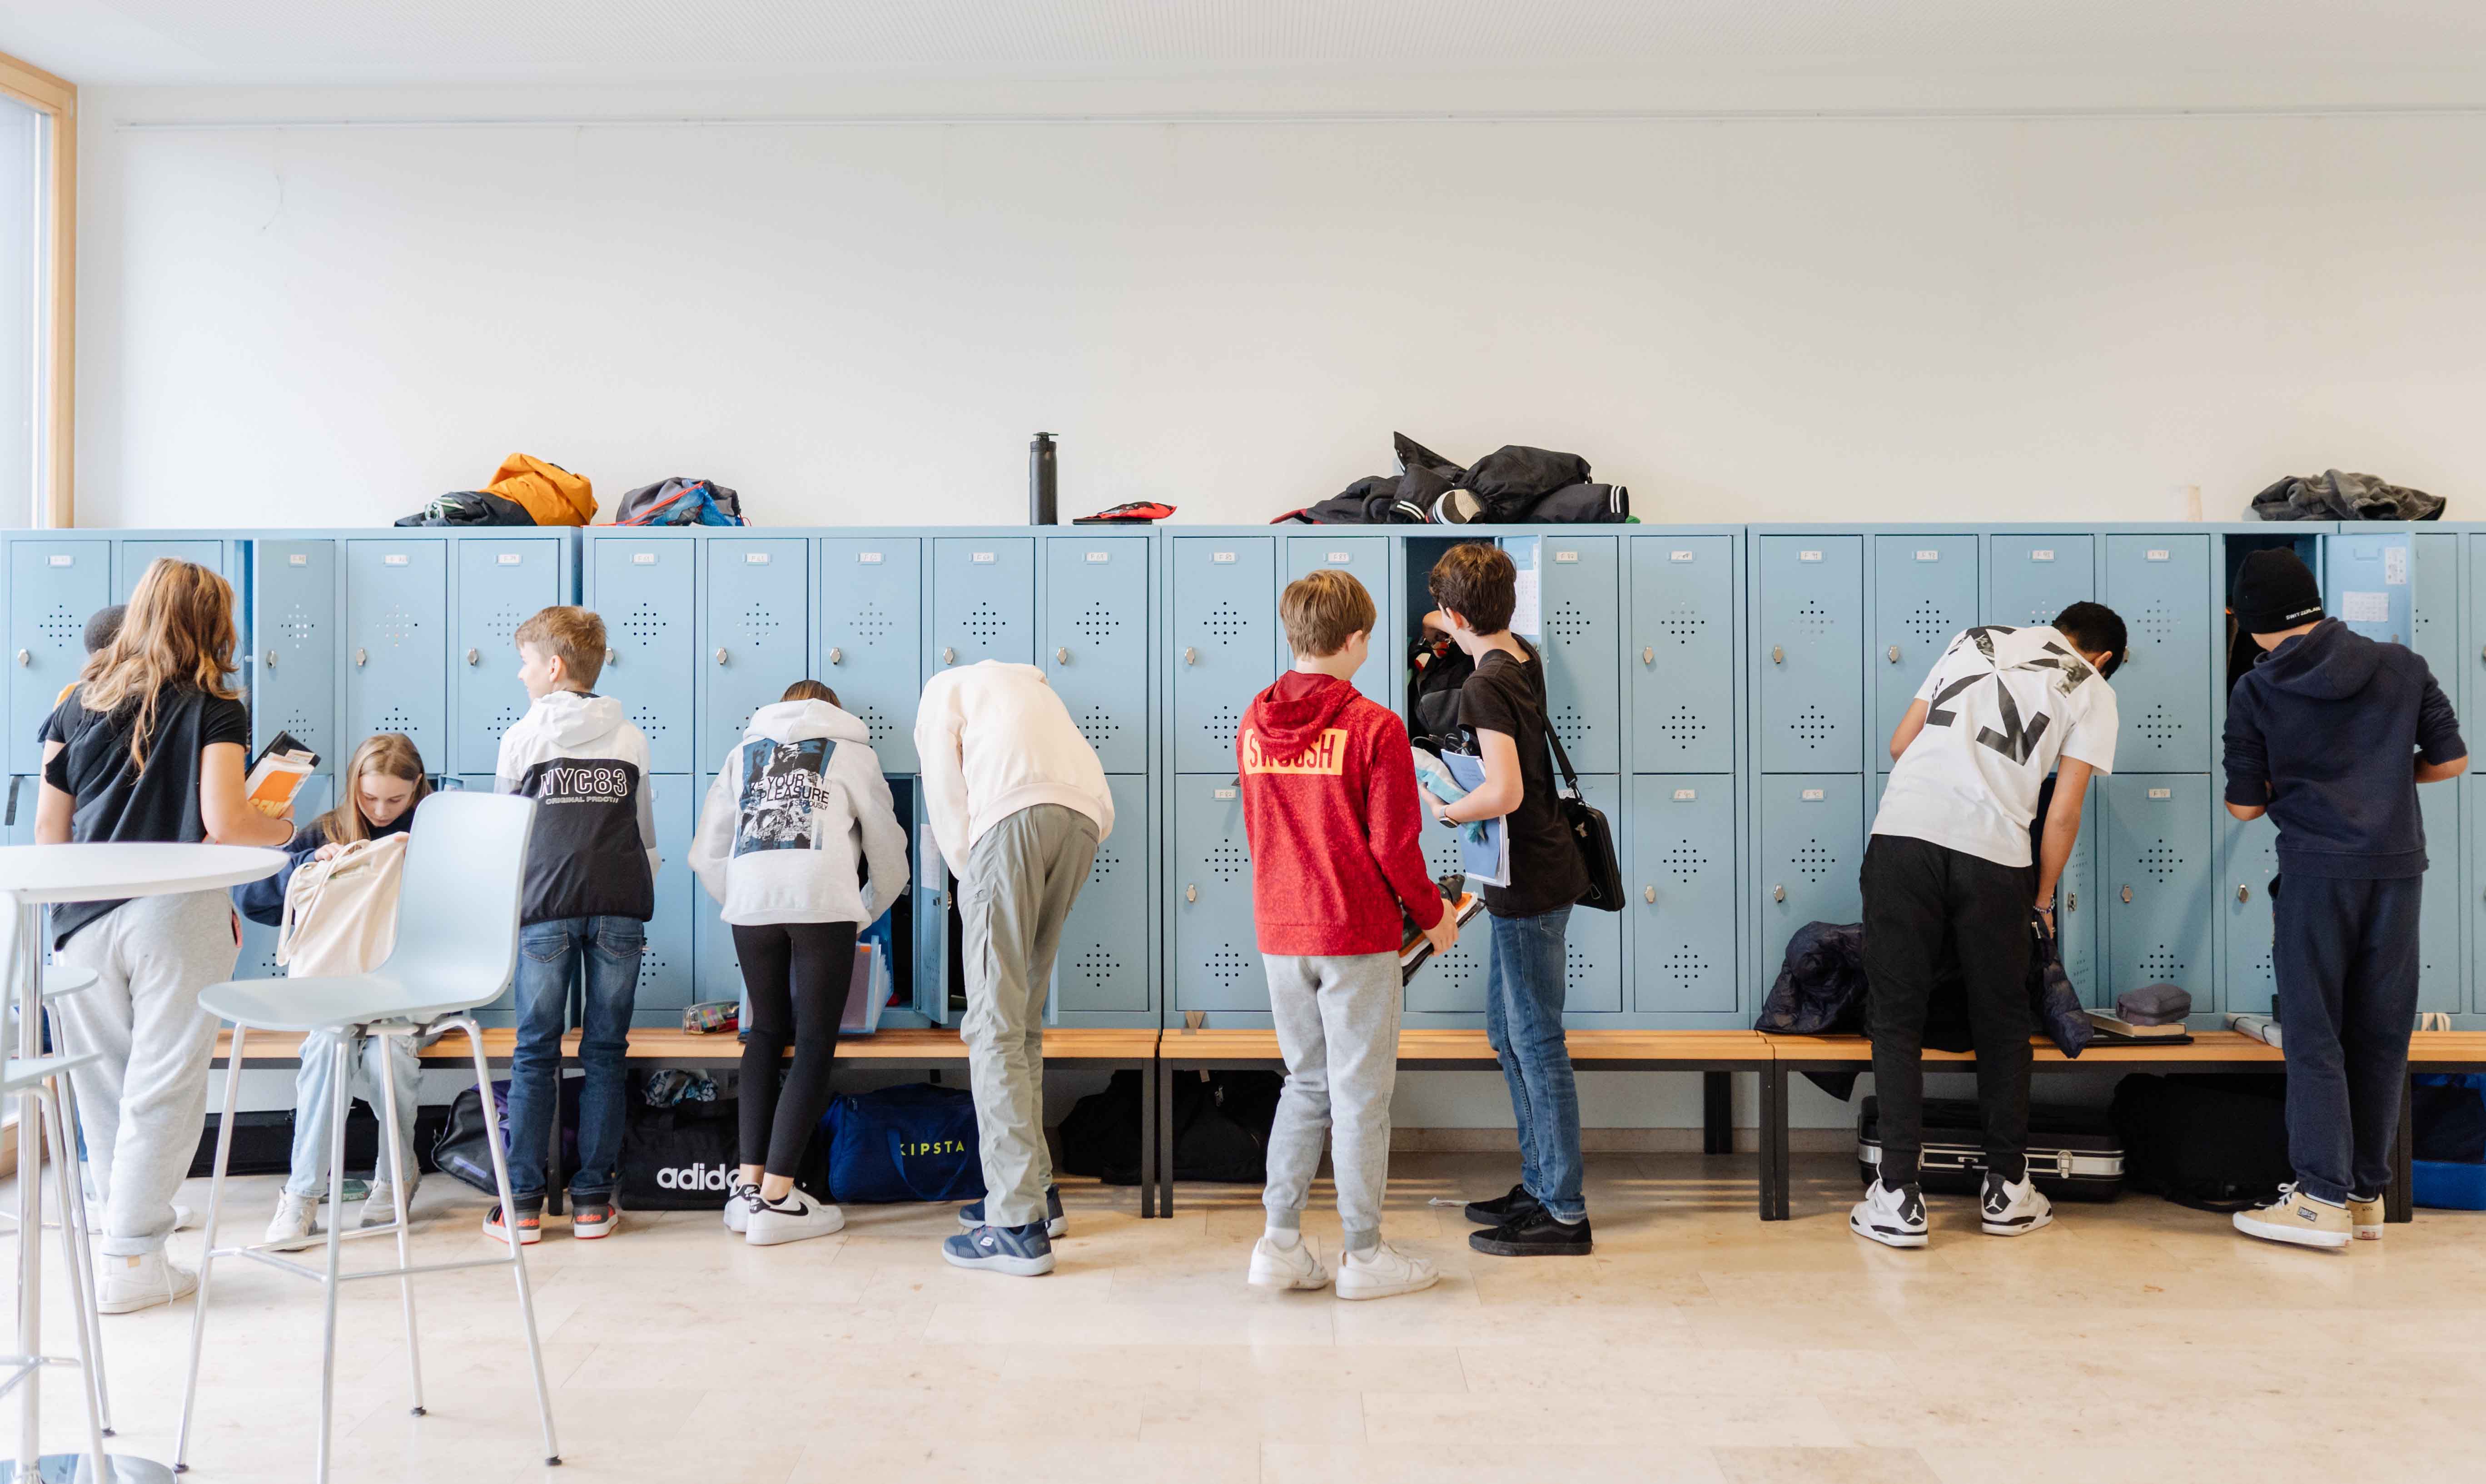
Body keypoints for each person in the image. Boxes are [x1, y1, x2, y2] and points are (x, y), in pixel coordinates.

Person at [38, 559, 297, 1313]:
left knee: (106, 1079)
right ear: (210, 622)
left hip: (79, 916)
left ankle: (125, 1237)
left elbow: (49, 833)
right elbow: (228, 823)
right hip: (172, 914)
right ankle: (135, 1257)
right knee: (166, 1084)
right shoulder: (214, 706)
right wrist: (278, 824)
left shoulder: (73, 707)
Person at [1852, 602, 2125, 1249]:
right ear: (2105, 657)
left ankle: (1897, 1196)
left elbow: (1900, 743)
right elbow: (2063, 814)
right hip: (1995, 855)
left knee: (1896, 1016)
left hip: (1903, 837)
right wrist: (2044, 896)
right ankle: (2006, 1189)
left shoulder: (1975, 638)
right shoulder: (2093, 689)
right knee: (2001, 1020)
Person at [2222, 550, 2466, 1248]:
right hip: (2396, 869)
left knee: (2315, 1029)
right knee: (2382, 1030)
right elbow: (2451, 760)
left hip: (2317, 873)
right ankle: (2363, 1193)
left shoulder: (2257, 688)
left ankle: (2318, 1196)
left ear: (2249, 619)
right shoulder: (2401, 664)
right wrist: (2388, 779)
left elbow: (2243, 807)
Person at [1238, 570, 1453, 1299]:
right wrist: (1434, 914)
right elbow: (1396, 845)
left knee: (1304, 1083)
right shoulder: (1375, 726)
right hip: (1353, 931)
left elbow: (1259, 831)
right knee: (1360, 1095)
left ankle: (1280, 1243)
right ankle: (1363, 1255)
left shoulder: (1254, 721)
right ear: (1358, 638)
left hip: (1281, 929)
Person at [691, 679, 909, 1247]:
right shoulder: (852, 754)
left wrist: (741, 896)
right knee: (813, 1042)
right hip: (822, 904)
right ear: (835, 713)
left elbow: (706, 853)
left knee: (764, 1033)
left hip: (751, 906)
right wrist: (860, 911)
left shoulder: (744, 755)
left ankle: (746, 1190)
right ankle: (780, 1202)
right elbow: (890, 851)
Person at [913, 660, 1112, 1276]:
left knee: (993, 1025)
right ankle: (1036, 1192)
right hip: (1082, 820)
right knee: (1021, 1020)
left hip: (1011, 819)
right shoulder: (1032, 687)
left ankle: (1016, 1226)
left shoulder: (944, 690)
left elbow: (947, 790)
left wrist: (967, 870)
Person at [1426, 543, 1595, 1258]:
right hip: (1531, 873)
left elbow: (1505, 791)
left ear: (1459, 614)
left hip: (1525, 880)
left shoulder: (1485, 686)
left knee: (1536, 1041)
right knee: (1508, 1030)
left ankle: (1564, 1210)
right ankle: (1538, 1182)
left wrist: (1447, 808)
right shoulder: (1518, 653)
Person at [487, 606, 658, 1245]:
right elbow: (644, 834)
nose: (521, 672)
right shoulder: (631, 736)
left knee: (535, 1050)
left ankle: (523, 1205)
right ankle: (592, 1200)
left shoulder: (522, 737)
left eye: (527, 661)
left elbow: (509, 835)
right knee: (606, 1051)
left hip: (546, 910)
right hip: (618, 905)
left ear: (553, 667)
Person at [248, 734, 432, 1249]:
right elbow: (253, 898)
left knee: (387, 1054)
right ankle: (304, 1195)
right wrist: (305, 868)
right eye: (369, 798)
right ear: (353, 787)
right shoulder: (328, 829)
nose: (379, 810)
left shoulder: (438, 832)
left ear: (417, 788)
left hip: (411, 994)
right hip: (340, 990)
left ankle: (395, 1177)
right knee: (329, 1043)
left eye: (395, 800)